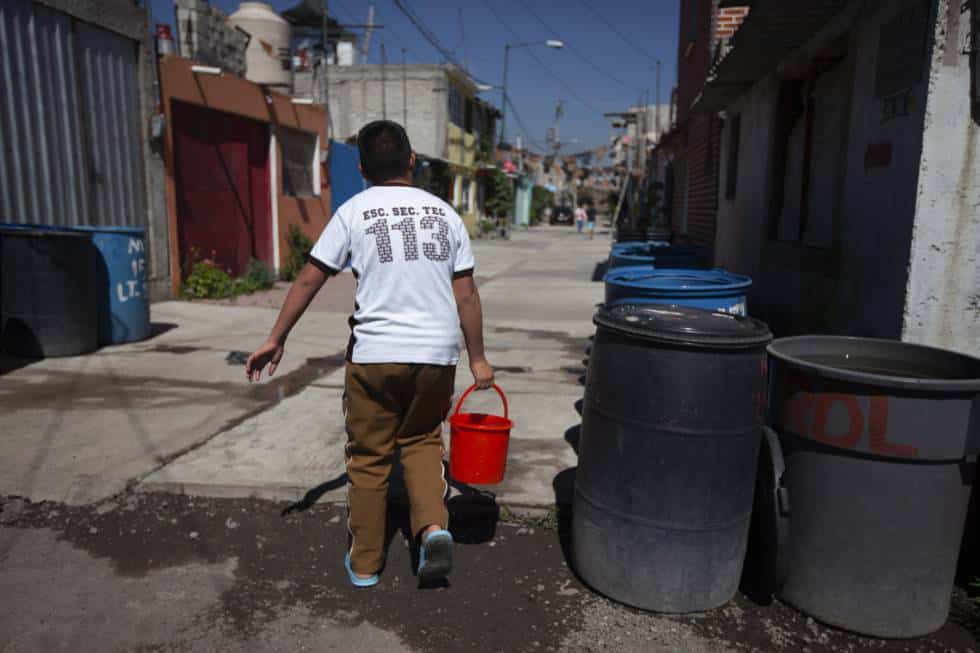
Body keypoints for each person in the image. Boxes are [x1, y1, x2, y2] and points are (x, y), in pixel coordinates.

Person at [244, 120, 494, 588]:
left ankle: (365, 563)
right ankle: (433, 529)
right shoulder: (444, 214)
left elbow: (309, 279)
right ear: (413, 160)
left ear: (361, 168)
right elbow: (467, 297)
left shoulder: (353, 212)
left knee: (369, 458)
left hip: (375, 354)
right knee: (421, 443)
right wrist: (477, 357)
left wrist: (277, 336)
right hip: (436, 355)